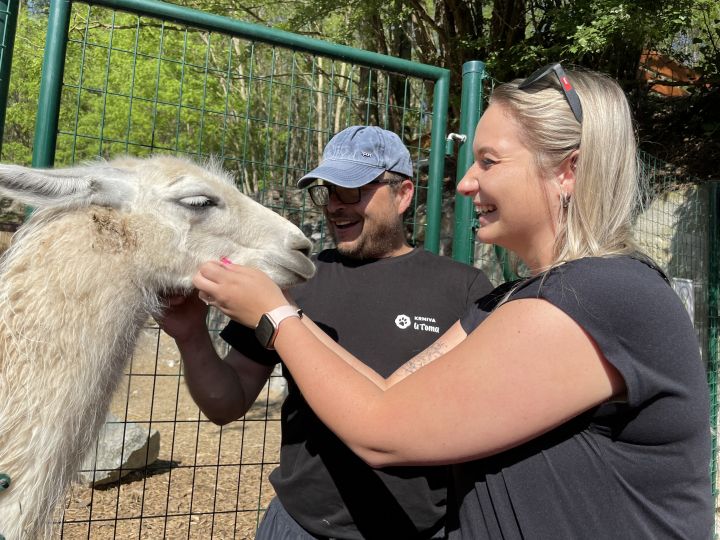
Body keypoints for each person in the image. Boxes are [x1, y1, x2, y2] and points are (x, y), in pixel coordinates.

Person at [192, 65, 714, 538]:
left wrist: (277, 317)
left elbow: (382, 430)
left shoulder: (602, 295)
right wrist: (268, 316)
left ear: (568, 170)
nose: (465, 184)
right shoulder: (510, 300)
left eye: (488, 161)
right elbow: (391, 394)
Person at [159, 125, 494, 539]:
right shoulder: (293, 279)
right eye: (327, 191)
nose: (335, 206)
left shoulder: (464, 287)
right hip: (299, 525)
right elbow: (225, 404)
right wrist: (191, 335)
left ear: (404, 194)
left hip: (419, 528)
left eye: (352, 191)